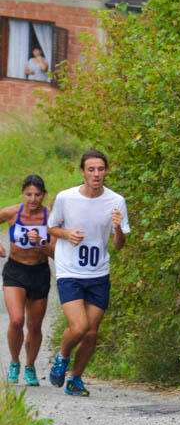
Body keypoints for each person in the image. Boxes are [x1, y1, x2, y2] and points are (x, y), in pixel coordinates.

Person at [47, 149, 129, 396]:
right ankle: (62, 356)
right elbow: (51, 227)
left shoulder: (116, 201)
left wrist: (117, 228)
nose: (96, 174)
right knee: (79, 326)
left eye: (100, 169)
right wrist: (67, 233)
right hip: (70, 271)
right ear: (82, 172)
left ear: (106, 171)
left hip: (98, 273)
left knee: (92, 333)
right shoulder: (66, 198)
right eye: (91, 169)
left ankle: (75, 379)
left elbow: (119, 245)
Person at [1, 175, 55, 386]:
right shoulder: (12, 213)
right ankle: (14, 361)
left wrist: (41, 242)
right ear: (23, 194)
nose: (33, 199)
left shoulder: (50, 217)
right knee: (16, 320)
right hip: (15, 271)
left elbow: (56, 253)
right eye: (29, 194)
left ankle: (30, 366)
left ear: (44, 195)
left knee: (34, 326)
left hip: (39, 272)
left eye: (37, 195)